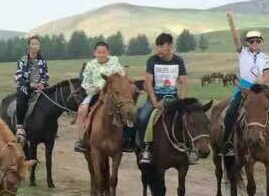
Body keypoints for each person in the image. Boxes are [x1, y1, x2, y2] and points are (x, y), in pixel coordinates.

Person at [220, 13, 269, 155]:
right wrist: (231, 22)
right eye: (252, 41)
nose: (255, 43)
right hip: (245, 87)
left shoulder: (265, 57)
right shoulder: (242, 52)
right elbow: (235, 38)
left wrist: (261, 81)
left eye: (257, 41)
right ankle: (228, 144)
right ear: (247, 43)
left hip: (261, 88)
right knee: (231, 112)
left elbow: (267, 75)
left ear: (261, 42)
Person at [137, 33, 189, 165]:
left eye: (162, 46)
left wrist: (182, 101)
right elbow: (148, 82)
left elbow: (184, 82)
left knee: (189, 117)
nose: (159, 49)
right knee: (143, 117)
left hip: (173, 98)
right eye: (157, 46)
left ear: (170, 46)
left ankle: (189, 148)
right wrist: (154, 102)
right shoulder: (152, 60)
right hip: (156, 98)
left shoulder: (178, 61)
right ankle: (146, 148)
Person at [74, 40, 125, 153]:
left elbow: (122, 77)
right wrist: (95, 89)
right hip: (95, 93)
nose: (101, 55)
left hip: (112, 94)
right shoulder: (90, 65)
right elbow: (85, 82)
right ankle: (82, 140)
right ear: (94, 53)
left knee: (125, 108)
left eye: (104, 52)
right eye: (99, 52)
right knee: (82, 110)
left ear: (108, 52)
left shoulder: (114, 62)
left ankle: (127, 138)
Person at [13, 35, 49, 142]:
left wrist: (42, 84)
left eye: (36, 44)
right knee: (21, 100)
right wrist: (31, 85)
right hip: (26, 87)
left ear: (39, 46)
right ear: (29, 46)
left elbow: (46, 75)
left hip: (40, 87)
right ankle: (19, 126)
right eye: (32, 44)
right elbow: (18, 76)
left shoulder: (42, 61)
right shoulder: (23, 60)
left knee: (49, 101)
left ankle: (48, 126)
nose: (34, 46)